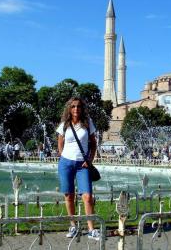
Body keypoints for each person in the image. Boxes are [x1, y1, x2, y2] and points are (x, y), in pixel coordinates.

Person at [56, 97, 100, 241]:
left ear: (82, 108)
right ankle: (73, 226)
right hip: (66, 163)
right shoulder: (64, 125)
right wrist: (63, 157)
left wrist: (90, 159)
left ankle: (91, 229)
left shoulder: (87, 123)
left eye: (79, 106)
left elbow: (93, 144)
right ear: (69, 108)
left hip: (83, 164)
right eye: (73, 106)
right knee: (69, 195)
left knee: (87, 197)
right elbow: (60, 142)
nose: (76, 109)